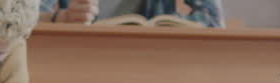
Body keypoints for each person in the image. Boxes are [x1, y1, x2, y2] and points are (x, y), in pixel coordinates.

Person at [38, 0, 221, 27]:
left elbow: (212, 20)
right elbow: (20, 19)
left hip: (154, 59)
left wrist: (173, 24)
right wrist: (60, 18)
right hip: (77, 57)